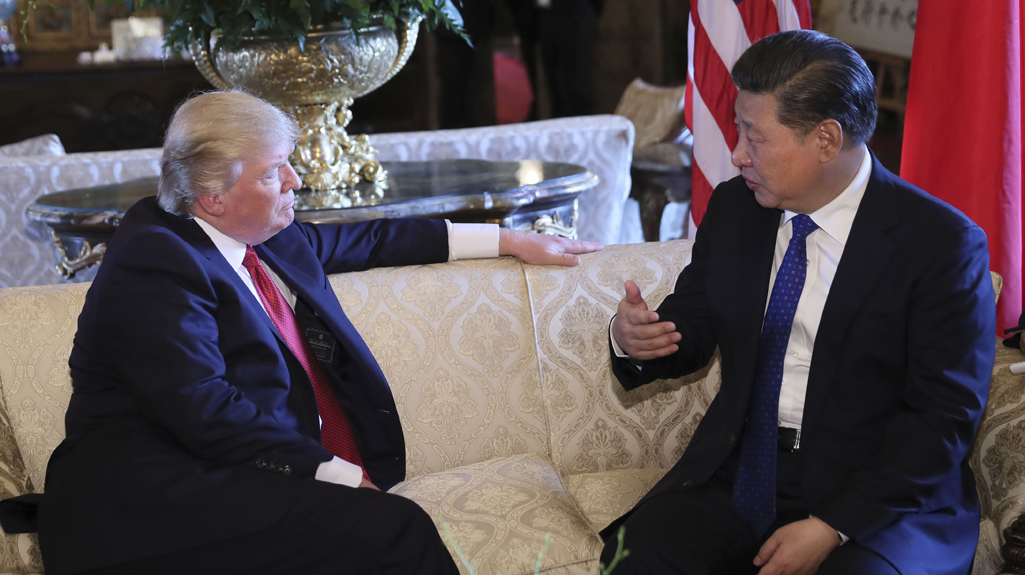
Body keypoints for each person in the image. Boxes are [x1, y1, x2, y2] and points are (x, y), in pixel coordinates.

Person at [35, 90, 602, 575]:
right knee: (394, 529)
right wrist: (340, 475)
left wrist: (508, 239)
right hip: (152, 503)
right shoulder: (153, 260)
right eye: (273, 172)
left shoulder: (265, 232)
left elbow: (372, 241)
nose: (295, 181)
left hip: (235, 477)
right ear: (212, 196)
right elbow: (205, 410)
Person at [601, 30, 994, 575]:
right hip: (745, 470)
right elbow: (693, 321)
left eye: (755, 137)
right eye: (737, 130)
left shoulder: (940, 244)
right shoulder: (737, 208)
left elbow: (943, 418)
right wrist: (637, 339)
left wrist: (833, 525)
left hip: (882, 492)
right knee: (636, 557)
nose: (737, 155)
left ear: (826, 140)